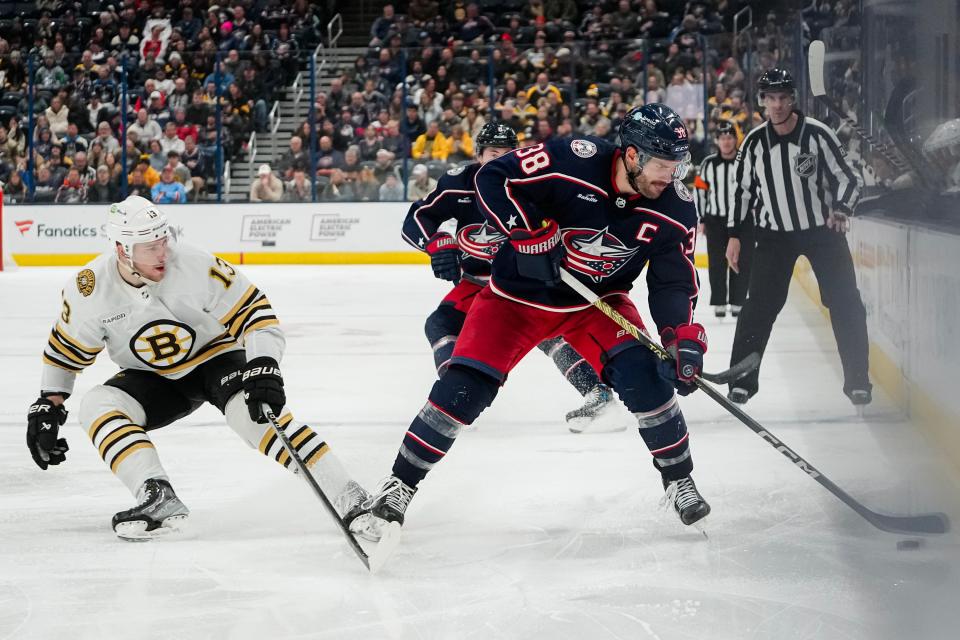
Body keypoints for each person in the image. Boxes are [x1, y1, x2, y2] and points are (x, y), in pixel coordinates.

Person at [357, 105, 711, 545]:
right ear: (633, 155)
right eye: (663, 165)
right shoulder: (573, 159)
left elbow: (673, 282)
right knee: (461, 390)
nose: (670, 177)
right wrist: (524, 233)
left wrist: (679, 336)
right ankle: (399, 485)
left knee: (647, 379)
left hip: (597, 303)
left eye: (677, 166)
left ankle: (678, 481)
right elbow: (494, 177)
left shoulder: (676, 208)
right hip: (514, 299)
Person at [25, 196, 373, 540]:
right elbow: (66, 352)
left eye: (163, 240)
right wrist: (48, 405)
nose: (162, 252)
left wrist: (264, 362)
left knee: (252, 418)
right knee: (97, 404)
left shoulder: (194, 263)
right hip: (153, 377)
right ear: (122, 249)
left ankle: (349, 496)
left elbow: (255, 313)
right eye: (149, 246)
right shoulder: (89, 289)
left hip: (217, 357)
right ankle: (156, 494)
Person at [401, 122, 622, 431]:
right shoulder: (458, 184)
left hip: (523, 283)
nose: (503, 159)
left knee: (552, 333)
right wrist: (436, 243)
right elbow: (417, 218)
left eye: (510, 153)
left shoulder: (534, 183)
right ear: (478, 155)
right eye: (494, 153)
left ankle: (597, 393)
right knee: (441, 323)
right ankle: (458, 397)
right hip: (477, 282)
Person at [724, 68, 871, 407]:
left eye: (782, 98)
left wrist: (842, 208)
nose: (776, 105)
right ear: (762, 101)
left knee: (845, 301)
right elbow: (743, 193)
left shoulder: (818, 135)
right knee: (758, 307)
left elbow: (849, 178)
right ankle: (742, 381)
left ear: (792, 99)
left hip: (823, 233)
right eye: (770, 99)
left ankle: (858, 380)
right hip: (773, 236)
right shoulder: (754, 143)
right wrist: (734, 236)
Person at [694, 121, 753, 318]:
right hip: (715, 220)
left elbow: (754, 190)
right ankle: (719, 301)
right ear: (717, 141)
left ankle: (737, 301)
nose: (726, 141)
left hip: (742, 220)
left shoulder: (745, 161)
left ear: (736, 140)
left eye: (730, 137)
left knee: (741, 260)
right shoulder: (708, 164)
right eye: (722, 138)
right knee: (717, 262)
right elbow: (700, 192)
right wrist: (701, 218)